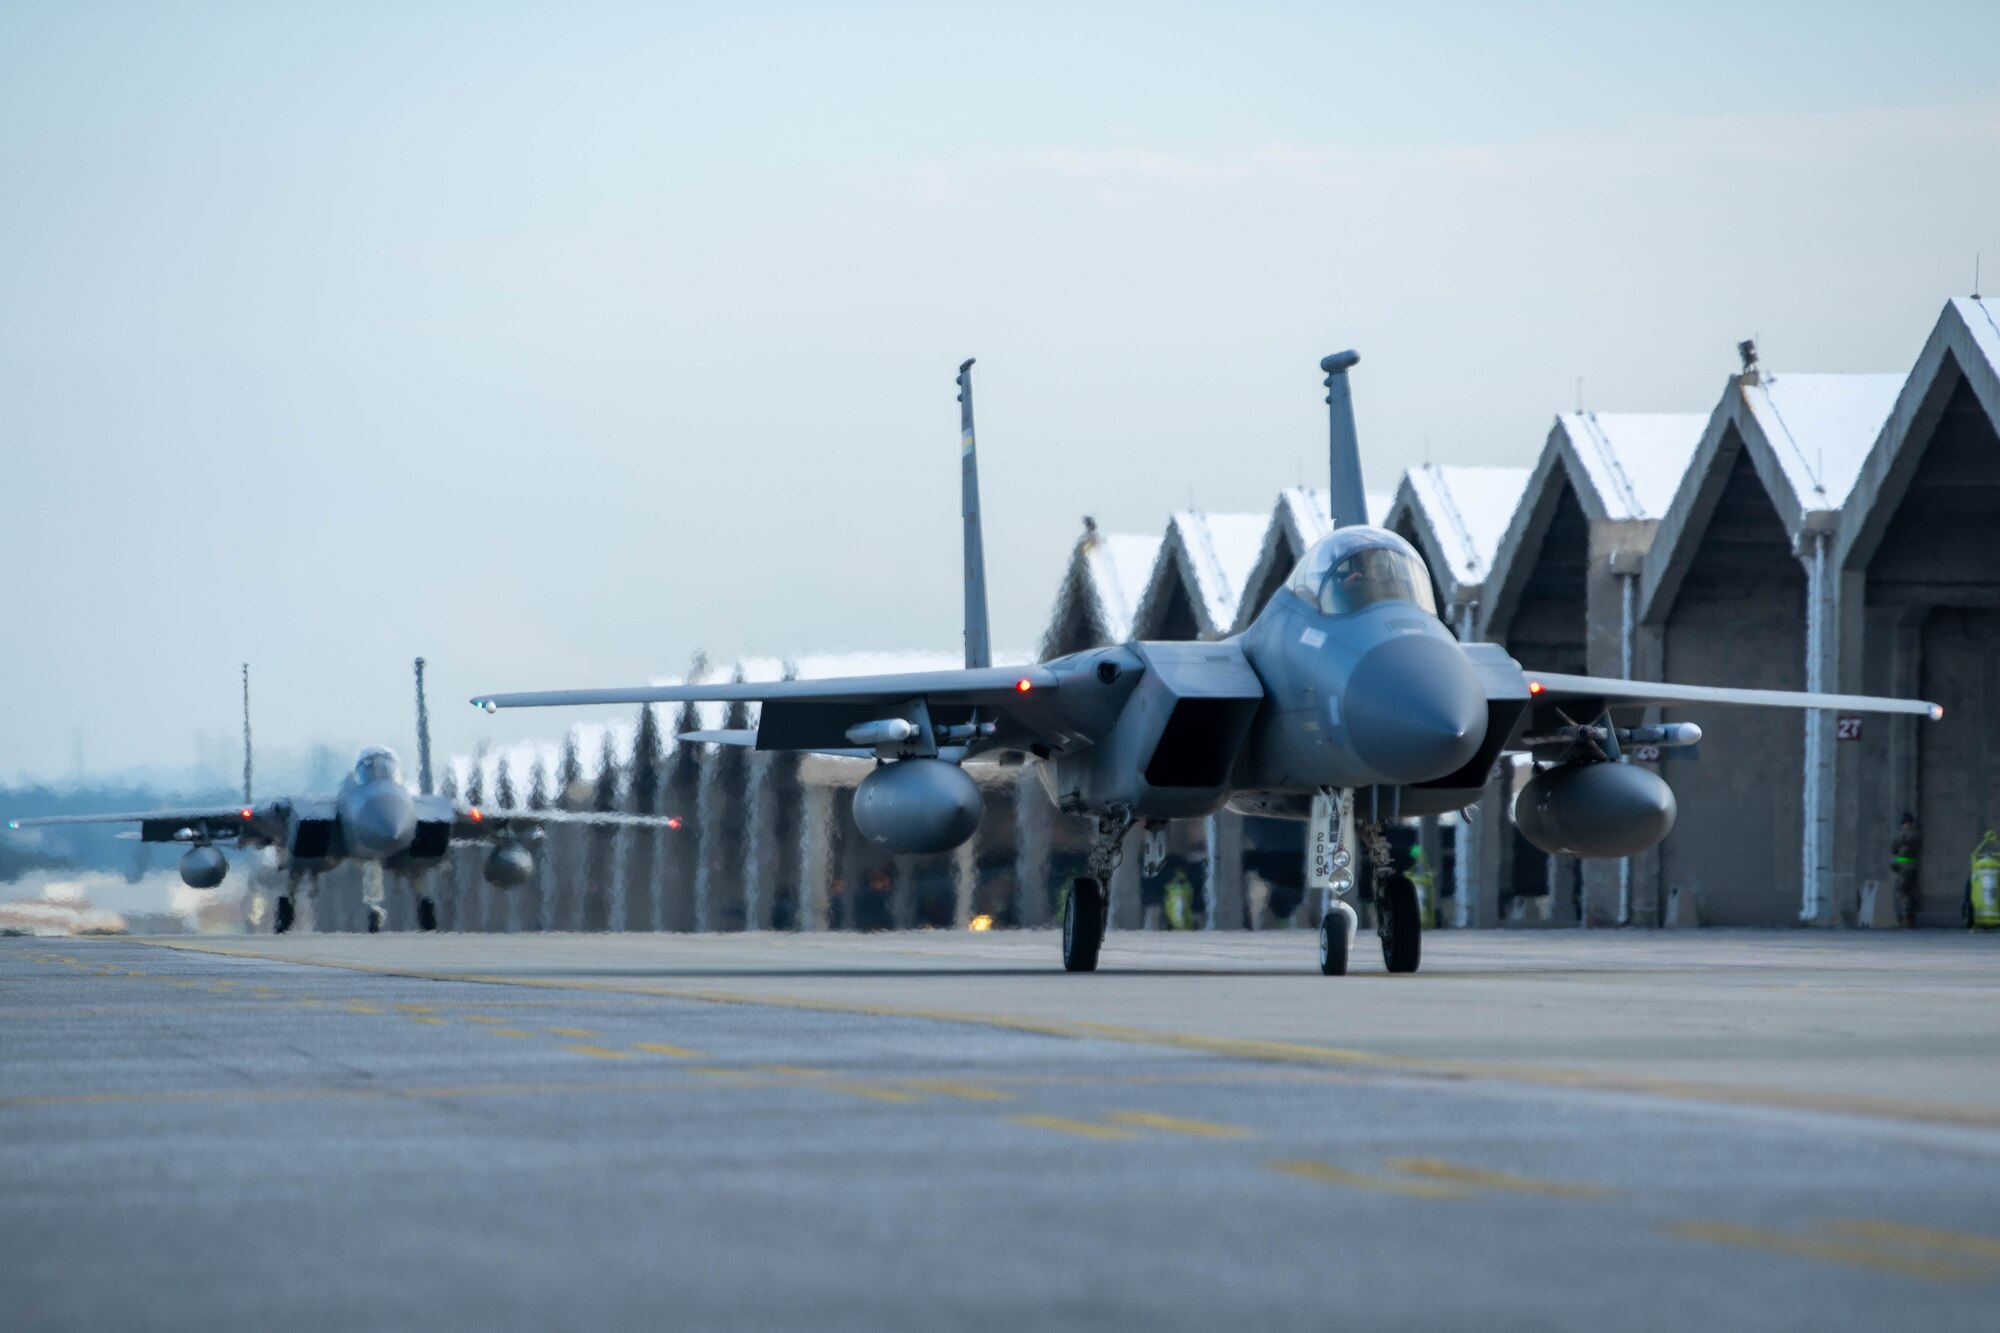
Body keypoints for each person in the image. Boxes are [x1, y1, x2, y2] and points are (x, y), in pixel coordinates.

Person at [1892, 813, 1922, 928]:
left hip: (1903, 866)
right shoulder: (1917, 834)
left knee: (1903, 891)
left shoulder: (1902, 834)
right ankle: (1912, 916)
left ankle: (1906, 918)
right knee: (1912, 891)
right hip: (1913, 865)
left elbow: (1894, 848)